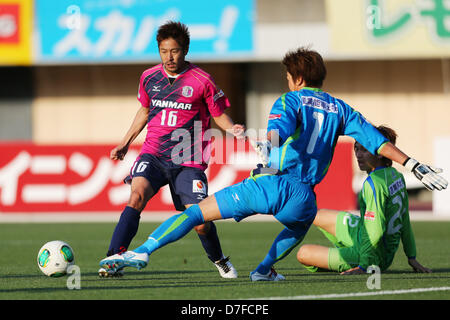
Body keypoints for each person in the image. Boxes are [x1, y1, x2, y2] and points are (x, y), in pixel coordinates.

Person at [99, 47, 447, 281]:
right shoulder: (342, 109)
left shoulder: (289, 99)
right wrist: (414, 164)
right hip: (304, 195)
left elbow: (277, 130)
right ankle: (264, 269)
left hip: (271, 183)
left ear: (295, 78)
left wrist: (268, 146)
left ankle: (143, 251)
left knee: (195, 213)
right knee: (300, 224)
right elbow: (376, 140)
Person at [98, 21, 245, 278]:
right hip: (153, 154)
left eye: (175, 51)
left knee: (199, 220)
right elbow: (144, 111)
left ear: (185, 50)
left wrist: (232, 129)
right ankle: (113, 258)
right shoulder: (149, 77)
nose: (169, 57)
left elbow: (218, 114)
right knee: (136, 197)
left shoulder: (202, 80)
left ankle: (219, 259)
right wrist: (125, 142)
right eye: (164, 51)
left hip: (188, 160)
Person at [296, 125, 432, 275]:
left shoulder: (374, 184)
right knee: (315, 215)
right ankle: (345, 254)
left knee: (303, 254)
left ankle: (349, 260)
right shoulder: (395, 176)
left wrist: (365, 265)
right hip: (364, 233)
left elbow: (376, 230)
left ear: (380, 153)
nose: (358, 155)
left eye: (364, 150)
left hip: (373, 255)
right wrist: (411, 256)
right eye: (357, 148)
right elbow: (404, 220)